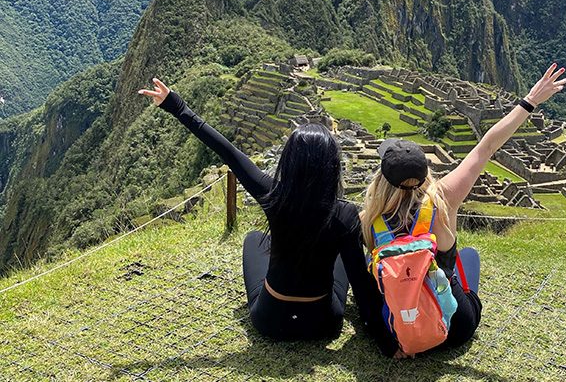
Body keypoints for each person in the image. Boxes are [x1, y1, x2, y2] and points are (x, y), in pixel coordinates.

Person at [138, 78, 396, 353]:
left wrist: (175, 105)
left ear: (289, 160)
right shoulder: (345, 214)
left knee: (253, 239)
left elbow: (228, 152)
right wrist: (388, 342)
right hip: (322, 324)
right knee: (351, 259)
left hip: (271, 320)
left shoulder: (273, 194)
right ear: (332, 166)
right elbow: (361, 287)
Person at [359, 62, 566, 356]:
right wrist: (530, 100)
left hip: (403, 329)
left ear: (381, 179)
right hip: (455, 325)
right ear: (424, 173)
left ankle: (412, 328)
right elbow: (486, 147)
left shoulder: (370, 219)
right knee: (468, 256)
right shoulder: (442, 197)